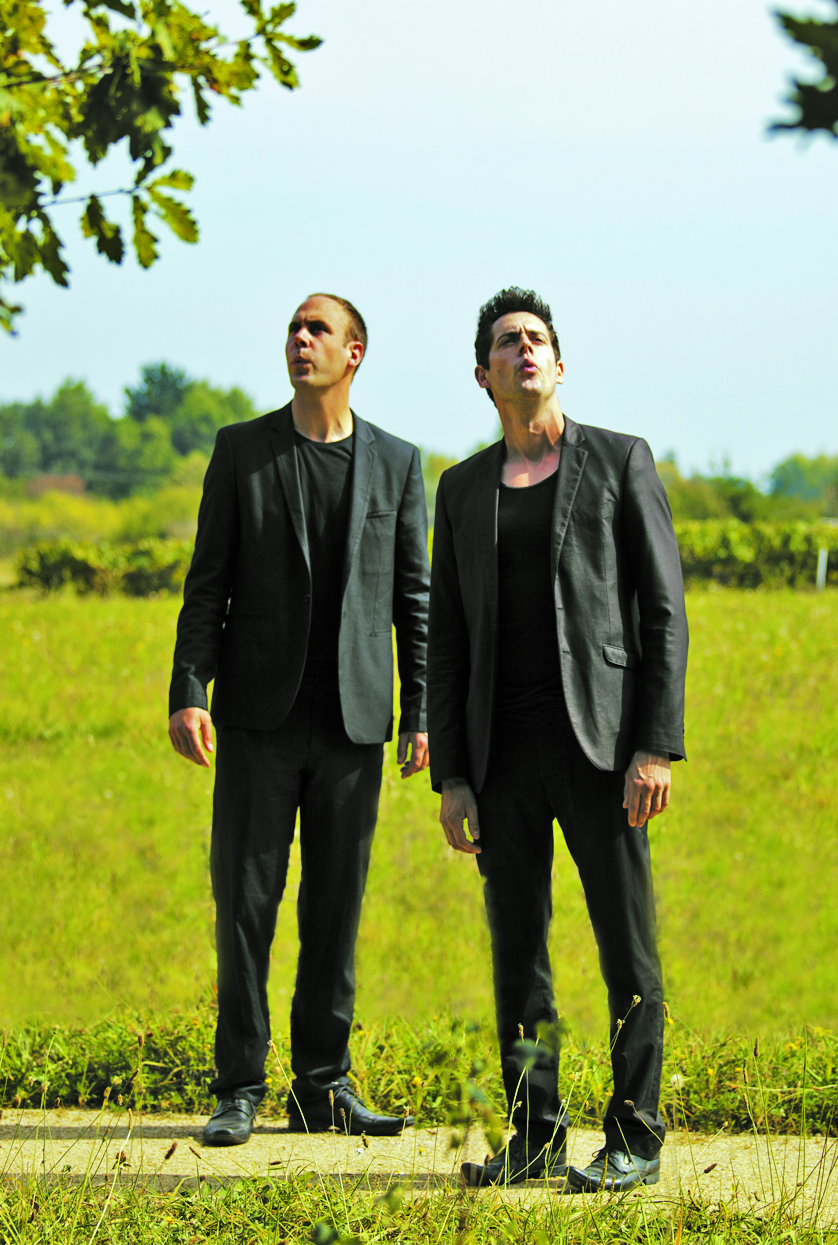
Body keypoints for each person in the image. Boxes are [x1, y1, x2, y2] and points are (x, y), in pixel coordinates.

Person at [427, 286, 688, 1192]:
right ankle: (535, 1135)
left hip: (603, 751)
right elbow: (446, 640)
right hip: (500, 757)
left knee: (627, 949)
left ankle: (636, 1136)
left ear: (560, 364)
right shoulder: (461, 490)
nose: (524, 349)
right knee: (519, 955)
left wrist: (655, 745)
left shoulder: (619, 461)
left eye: (536, 337)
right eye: (507, 341)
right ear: (484, 375)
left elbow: (663, 612)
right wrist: (452, 775)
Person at [168, 293, 430, 1147]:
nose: (300, 340)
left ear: (355, 353)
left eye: (318, 330)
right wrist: (189, 688)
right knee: (244, 905)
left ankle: (322, 1087)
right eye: (293, 328)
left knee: (335, 909)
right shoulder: (241, 451)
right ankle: (239, 1086)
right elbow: (208, 583)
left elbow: (415, 600)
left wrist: (422, 711)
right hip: (256, 719)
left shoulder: (398, 463)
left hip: (354, 723)